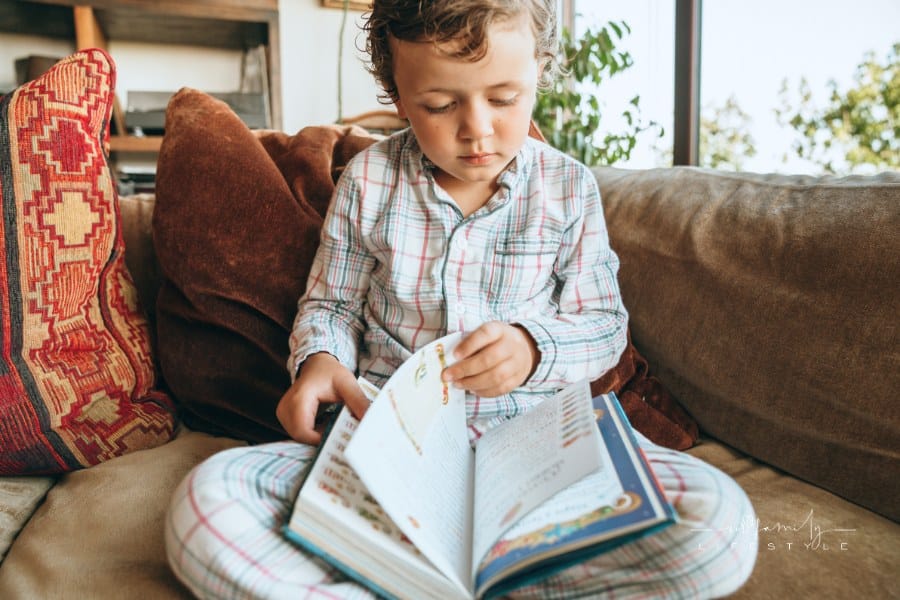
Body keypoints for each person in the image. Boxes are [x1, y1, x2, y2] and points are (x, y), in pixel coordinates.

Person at [165, 1, 758, 598]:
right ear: (397, 96)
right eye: (441, 105)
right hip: (388, 447)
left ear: (540, 72)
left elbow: (604, 326)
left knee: (720, 523)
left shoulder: (569, 188)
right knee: (205, 506)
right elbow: (331, 306)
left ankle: (458, 578)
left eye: (504, 99)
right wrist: (320, 360)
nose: (477, 130)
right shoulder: (368, 181)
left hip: (531, 452)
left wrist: (533, 349)